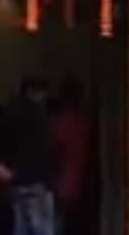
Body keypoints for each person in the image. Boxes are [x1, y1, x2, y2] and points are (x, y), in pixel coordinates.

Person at [0, 77, 55, 235]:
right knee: (40, 228)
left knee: (21, 226)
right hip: (34, 181)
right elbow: (39, 152)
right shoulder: (36, 117)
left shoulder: (10, 113)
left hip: (16, 182)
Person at [50, 76, 89, 235]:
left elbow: (56, 151)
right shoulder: (85, 121)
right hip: (81, 181)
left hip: (63, 183)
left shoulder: (60, 121)